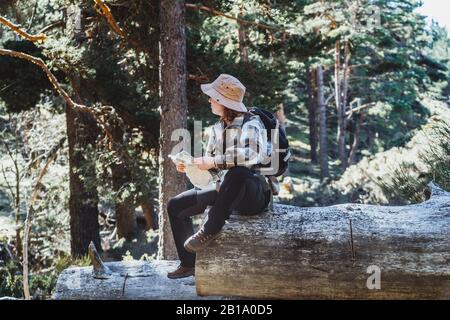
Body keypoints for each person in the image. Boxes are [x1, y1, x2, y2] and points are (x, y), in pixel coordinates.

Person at [167, 74, 272, 279]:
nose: (209, 100)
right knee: (175, 205)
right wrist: (193, 165)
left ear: (223, 101)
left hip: (253, 194)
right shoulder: (217, 129)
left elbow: (250, 155)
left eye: (213, 97)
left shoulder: (251, 123)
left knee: (238, 172)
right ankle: (189, 264)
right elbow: (213, 171)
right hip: (224, 189)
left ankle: (209, 229)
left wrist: (213, 161)